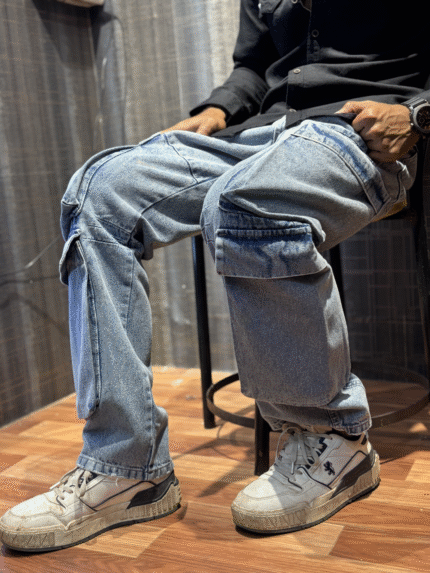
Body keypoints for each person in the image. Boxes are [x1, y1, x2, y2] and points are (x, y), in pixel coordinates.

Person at [1, 0, 429, 552]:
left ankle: (333, 441)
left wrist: (417, 114)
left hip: (359, 133)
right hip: (263, 132)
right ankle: (126, 468)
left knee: (247, 200)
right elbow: (254, 66)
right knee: (101, 192)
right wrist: (217, 107)